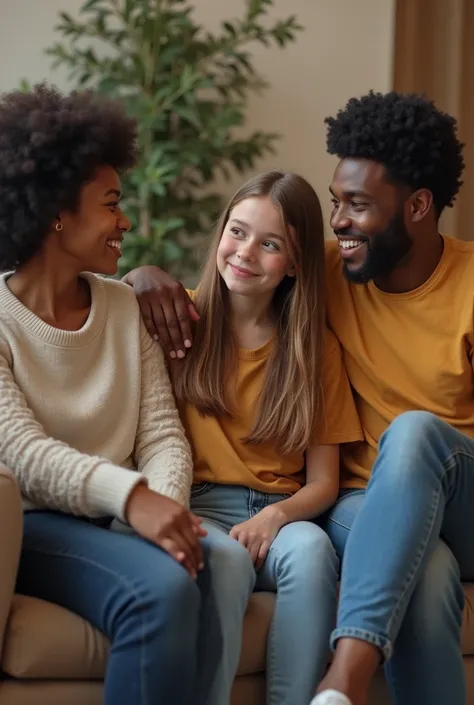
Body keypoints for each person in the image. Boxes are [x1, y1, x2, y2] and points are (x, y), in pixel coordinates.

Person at [124, 90, 473, 705]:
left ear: (418, 206)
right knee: (431, 571)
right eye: (336, 203)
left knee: (414, 435)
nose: (340, 221)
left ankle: (344, 681)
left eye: (358, 206)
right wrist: (139, 277)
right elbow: (237, 266)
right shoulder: (330, 271)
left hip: (458, 491)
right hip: (368, 503)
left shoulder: (463, 285)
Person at [0, 83, 226, 705]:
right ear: (55, 213)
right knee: (159, 591)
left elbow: (161, 433)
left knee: (195, 572)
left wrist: (162, 513)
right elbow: (22, 453)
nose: (125, 219)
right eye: (110, 203)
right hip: (30, 525)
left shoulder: (125, 308)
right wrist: (132, 500)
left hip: (119, 519)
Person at [126, 170, 363, 705]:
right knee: (228, 565)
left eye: (270, 243)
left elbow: (324, 482)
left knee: (314, 552)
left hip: (281, 512)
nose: (246, 252)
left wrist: (275, 517)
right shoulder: (175, 317)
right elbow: (105, 315)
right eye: (237, 231)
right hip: (197, 503)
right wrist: (136, 273)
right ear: (220, 235)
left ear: (296, 264)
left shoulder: (314, 352)